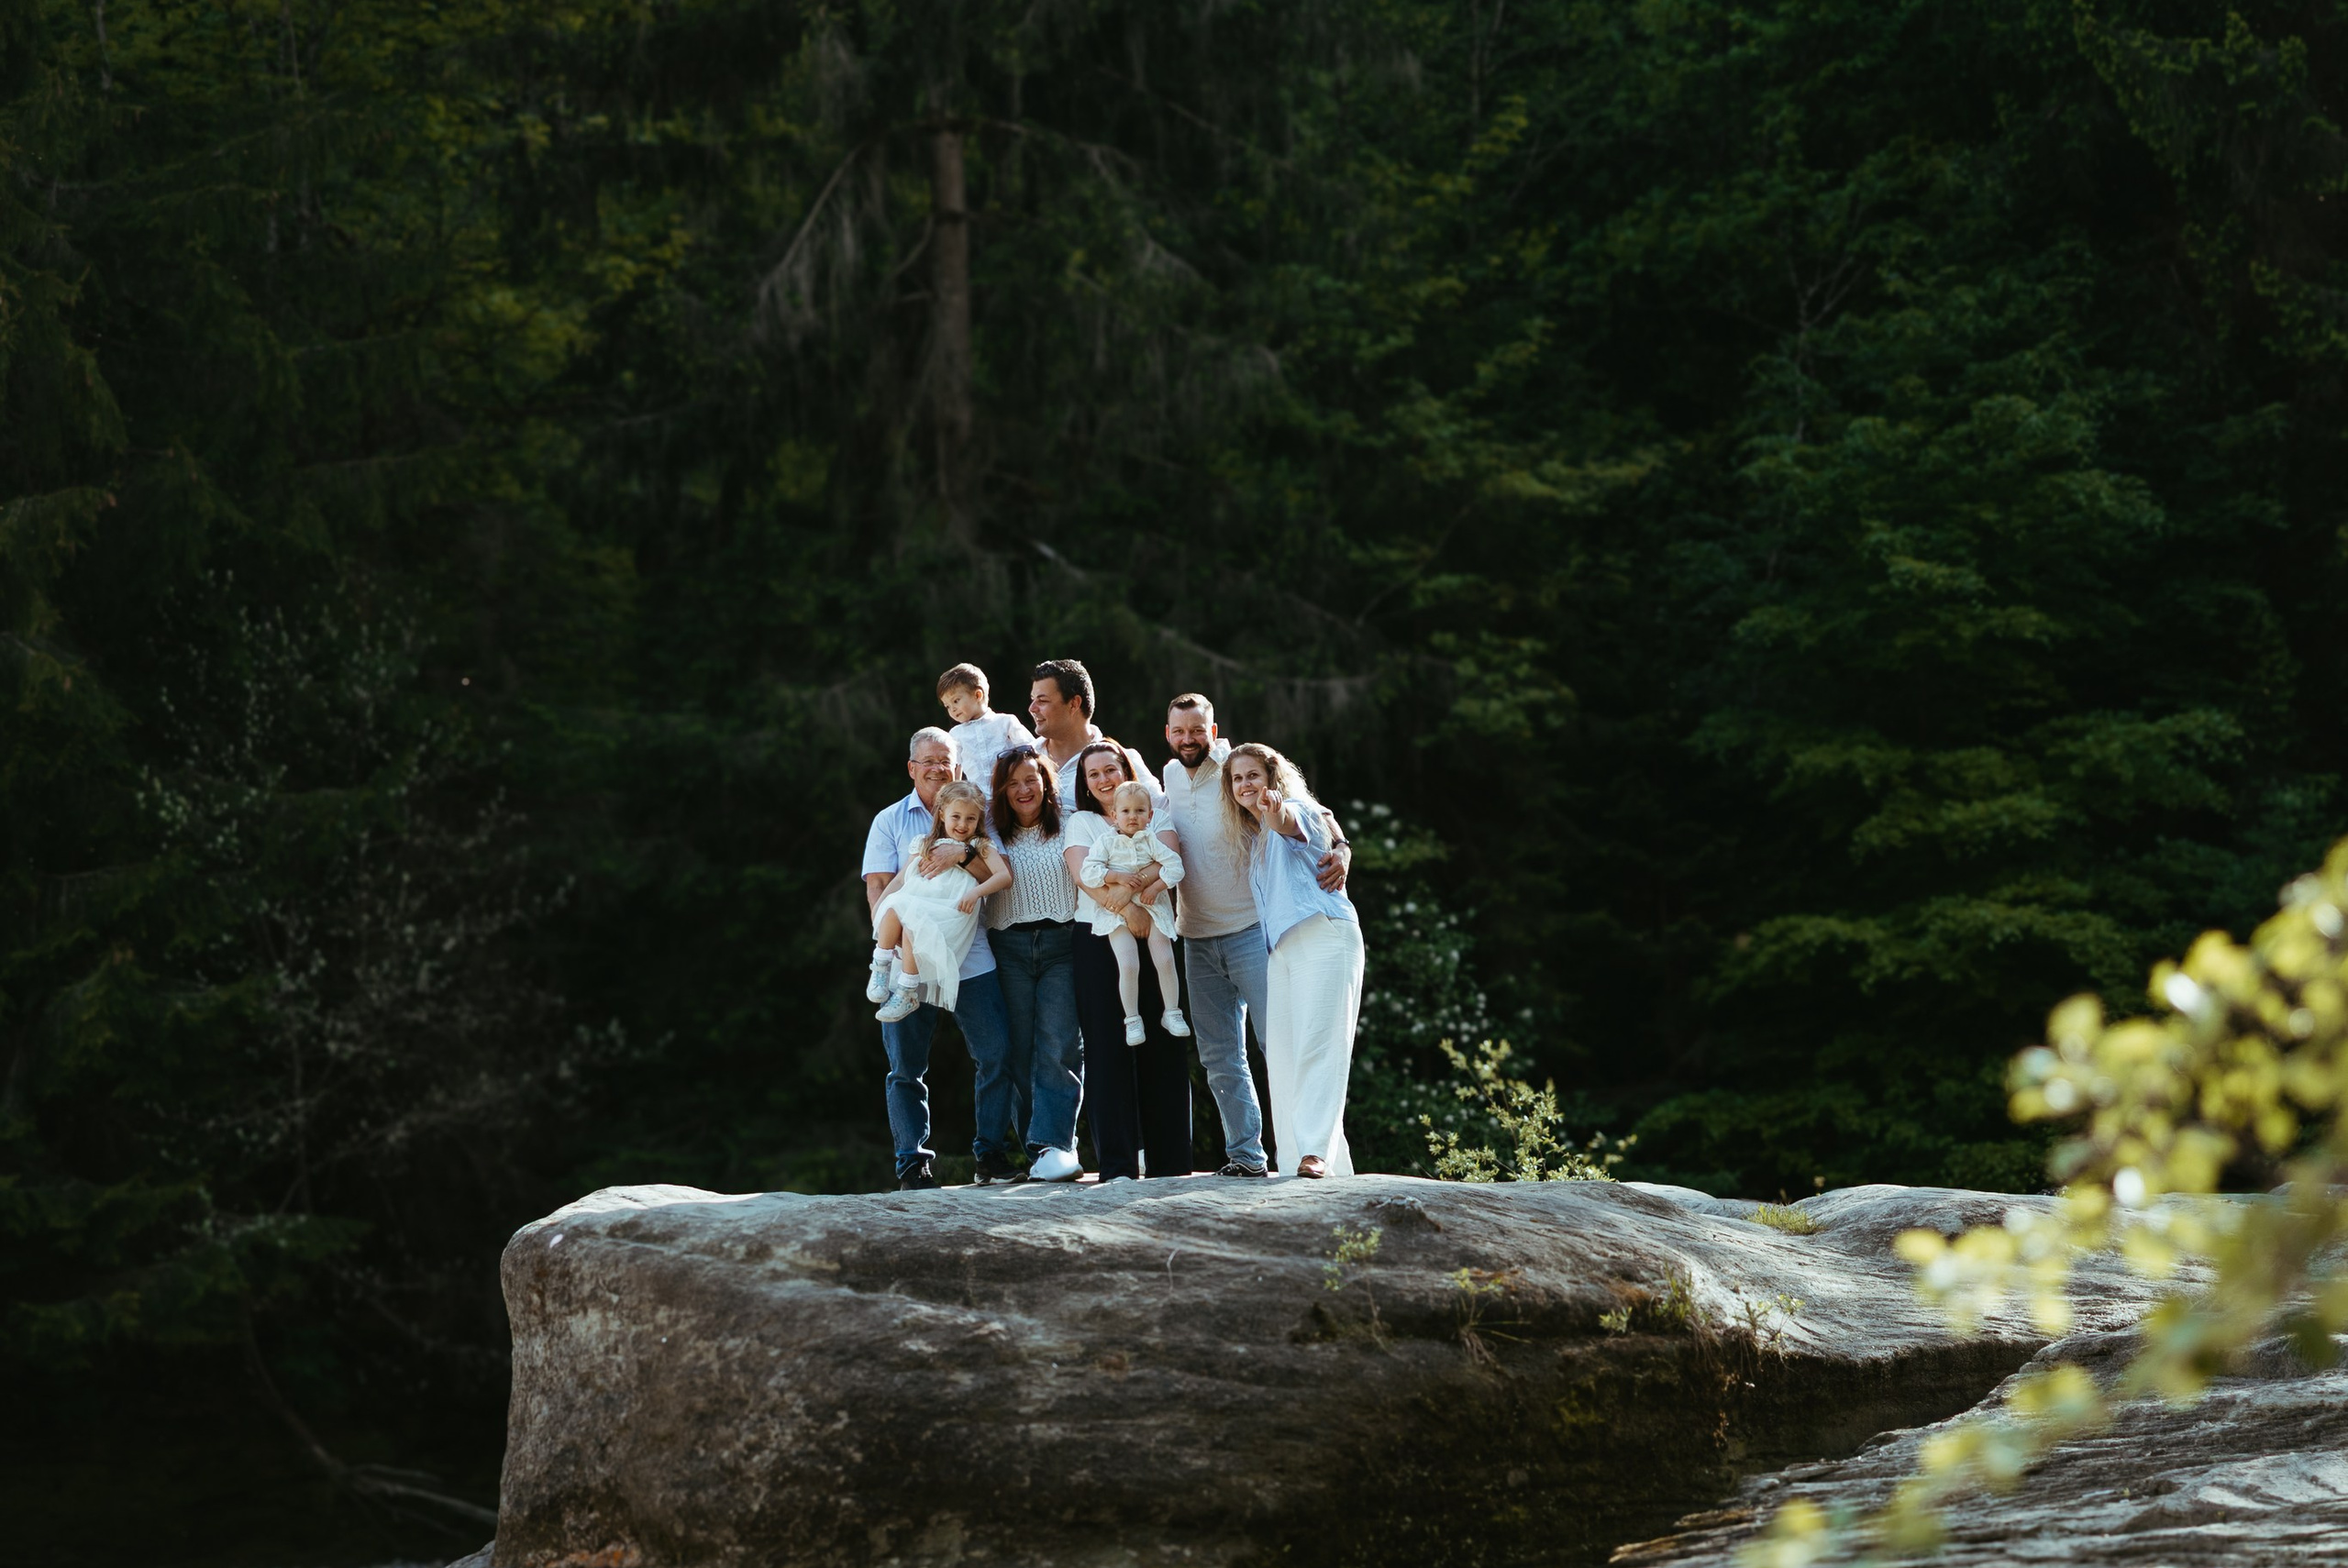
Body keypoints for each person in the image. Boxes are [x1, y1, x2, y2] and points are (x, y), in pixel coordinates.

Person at [1160, 693, 1352, 1177]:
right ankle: (1248, 1156)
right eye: (1179, 731)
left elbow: (1306, 811)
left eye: (1197, 730)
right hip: (1196, 935)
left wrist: (1342, 846)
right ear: (1168, 734)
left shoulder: (1236, 764)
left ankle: (1313, 1151)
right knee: (1219, 1055)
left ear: (1213, 730)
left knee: (1283, 1046)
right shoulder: (1166, 776)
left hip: (1255, 932)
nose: (1188, 739)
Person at [859, 728, 1023, 1189]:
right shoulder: (891, 820)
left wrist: (962, 853)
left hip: (969, 954)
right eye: (928, 760)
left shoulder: (979, 816)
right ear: (912, 768)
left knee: (996, 1054)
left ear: (958, 767)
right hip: (907, 953)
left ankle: (990, 1155)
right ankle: (912, 1162)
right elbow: (880, 885)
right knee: (905, 1066)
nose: (937, 767)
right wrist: (886, 937)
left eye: (945, 760)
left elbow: (997, 873)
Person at [1224, 741, 1362, 1180]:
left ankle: (1314, 1152)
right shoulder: (1256, 840)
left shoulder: (1295, 810)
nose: (1245, 784)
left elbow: (1290, 820)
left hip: (1323, 934)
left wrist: (1275, 808)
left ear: (1272, 778)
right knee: (1284, 1057)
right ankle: (1301, 1161)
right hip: (1282, 949)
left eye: (1253, 775)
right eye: (1237, 778)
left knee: (1321, 1044)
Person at [1065, 742, 1193, 1182]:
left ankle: (1171, 1164)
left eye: (1110, 769)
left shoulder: (1154, 813)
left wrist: (1135, 897)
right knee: (1107, 1047)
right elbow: (1083, 876)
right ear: (1085, 784)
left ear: (1126, 770)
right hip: (1100, 936)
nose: (1104, 779)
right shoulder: (1082, 822)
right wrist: (1127, 908)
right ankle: (1117, 1166)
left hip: (1157, 928)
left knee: (1165, 1044)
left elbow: (1168, 862)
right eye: (1094, 774)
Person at [983, 745, 1086, 1183]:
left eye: (1031, 779)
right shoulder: (989, 831)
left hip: (1064, 944)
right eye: (1012, 783)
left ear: (1046, 782)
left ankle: (1055, 1145)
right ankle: (1036, 1147)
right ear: (1002, 791)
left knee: (1059, 1046)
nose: (1023, 789)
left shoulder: (1070, 823)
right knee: (1019, 1049)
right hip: (1008, 948)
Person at [868, 780, 1012, 1021]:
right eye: (956, 816)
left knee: (913, 921)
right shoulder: (924, 843)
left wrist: (976, 892)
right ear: (942, 813)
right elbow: (901, 879)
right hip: (919, 903)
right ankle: (880, 968)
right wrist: (879, 910)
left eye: (971, 818)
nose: (963, 825)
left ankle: (907, 991)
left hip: (949, 912)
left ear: (979, 819)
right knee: (893, 906)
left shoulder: (980, 845)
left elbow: (1004, 877)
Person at [1079, 780, 1191, 1045]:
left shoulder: (1151, 840)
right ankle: (1132, 1019)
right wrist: (1115, 876)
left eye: (1139, 811)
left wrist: (1156, 887)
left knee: (1165, 959)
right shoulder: (1106, 842)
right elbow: (1088, 873)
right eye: (1126, 811)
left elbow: (1175, 866)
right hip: (1117, 912)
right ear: (1114, 815)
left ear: (1149, 815)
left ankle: (1172, 1012)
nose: (1133, 817)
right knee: (1129, 964)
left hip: (1153, 906)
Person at [937, 662, 1036, 798]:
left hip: (1010, 795)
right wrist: (954, 795)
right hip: (977, 799)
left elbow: (1031, 749)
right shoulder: (956, 734)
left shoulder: (1005, 722)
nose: (952, 709)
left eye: (956, 701)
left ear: (978, 695)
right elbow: (955, 766)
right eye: (947, 706)